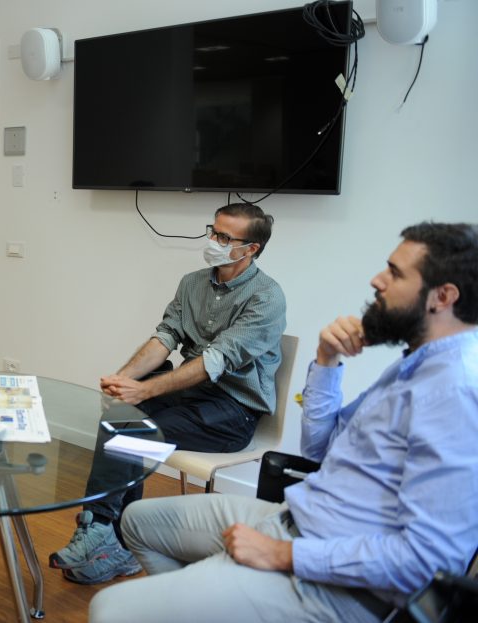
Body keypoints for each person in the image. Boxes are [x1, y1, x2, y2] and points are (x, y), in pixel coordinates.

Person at [89, 222, 478, 623]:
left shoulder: (456, 391)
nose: (376, 280)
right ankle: (105, 533)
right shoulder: (413, 368)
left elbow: (427, 562)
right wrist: (326, 360)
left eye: (395, 273)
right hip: (294, 518)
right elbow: (319, 451)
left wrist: (282, 554)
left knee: (108, 609)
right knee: (135, 517)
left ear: (443, 296)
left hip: (327, 577)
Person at [51, 203, 286, 584]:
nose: (214, 242)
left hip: (232, 411)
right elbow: (165, 337)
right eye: (214, 231)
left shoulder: (267, 298)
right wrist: (123, 379)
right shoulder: (192, 282)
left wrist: (143, 388)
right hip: (191, 397)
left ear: (252, 248)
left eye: (226, 238)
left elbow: (214, 361)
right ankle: (108, 536)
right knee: (120, 416)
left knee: (131, 431)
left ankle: (104, 531)